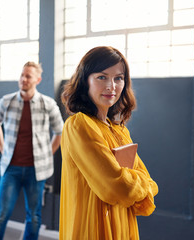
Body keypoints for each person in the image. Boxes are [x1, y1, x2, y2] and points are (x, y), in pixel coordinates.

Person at [59, 46, 158, 239]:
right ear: (85, 80)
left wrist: (133, 183)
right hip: (92, 228)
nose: (111, 86)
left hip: (122, 224)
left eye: (118, 78)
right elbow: (116, 188)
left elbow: (151, 184)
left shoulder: (119, 129)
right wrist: (138, 185)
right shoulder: (80, 125)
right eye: (102, 77)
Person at [0, 61, 64, 240]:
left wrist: (48, 153)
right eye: (22, 75)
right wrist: (1, 145)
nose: (23, 79)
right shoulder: (7, 101)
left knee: (34, 217)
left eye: (28, 76)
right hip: (10, 168)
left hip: (36, 171)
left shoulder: (48, 103)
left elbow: (60, 131)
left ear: (38, 79)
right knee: (1, 215)